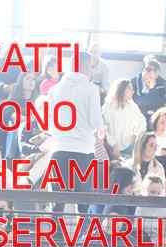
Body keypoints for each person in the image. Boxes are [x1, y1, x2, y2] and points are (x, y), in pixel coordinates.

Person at [47, 50, 103, 211]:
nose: (92, 71)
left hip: (59, 149)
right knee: (84, 203)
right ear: (84, 66)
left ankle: (56, 228)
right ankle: (82, 229)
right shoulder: (91, 89)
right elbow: (95, 121)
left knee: (57, 204)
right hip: (83, 151)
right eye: (91, 66)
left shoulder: (54, 90)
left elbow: (48, 122)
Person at [102, 79, 147, 159]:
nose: (133, 91)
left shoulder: (132, 106)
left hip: (129, 147)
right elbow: (103, 128)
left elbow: (142, 122)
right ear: (122, 90)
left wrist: (135, 135)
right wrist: (113, 144)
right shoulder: (108, 107)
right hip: (111, 148)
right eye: (130, 89)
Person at [131, 59, 166, 125]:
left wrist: (152, 89)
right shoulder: (133, 82)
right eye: (147, 69)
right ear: (143, 70)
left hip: (154, 115)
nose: (151, 72)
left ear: (157, 75)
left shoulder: (162, 84)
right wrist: (152, 95)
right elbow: (137, 101)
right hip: (137, 115)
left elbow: (159, 104)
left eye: (154, 70)